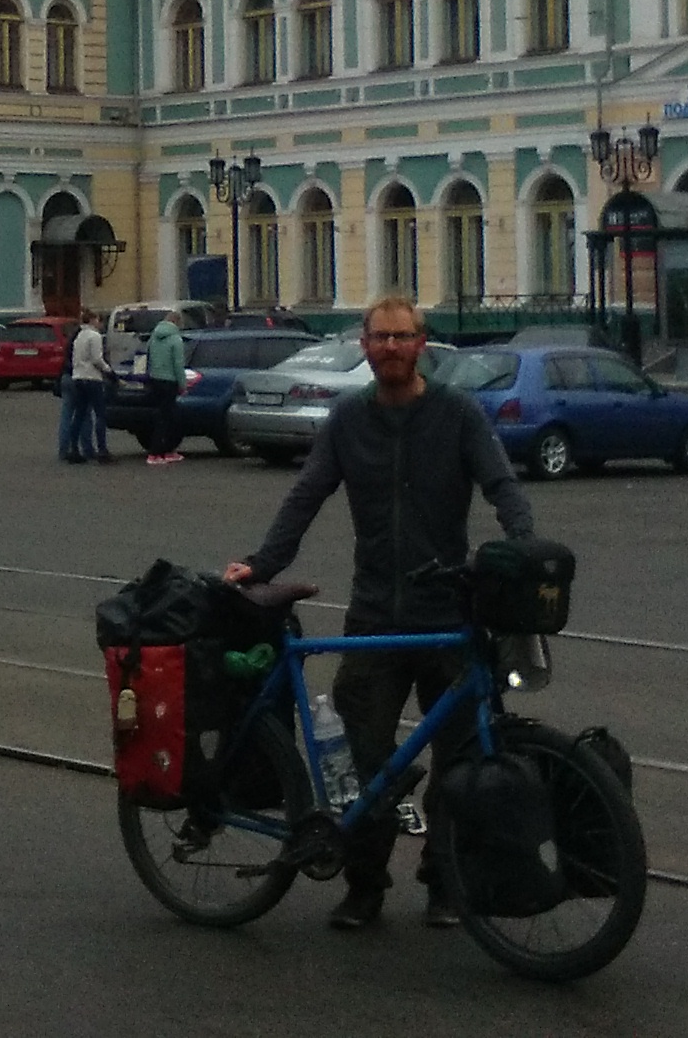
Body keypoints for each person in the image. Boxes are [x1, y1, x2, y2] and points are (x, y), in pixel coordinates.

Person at [226, 292, 531, 934]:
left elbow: (502, 485)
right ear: (365, 348)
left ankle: (444, 883)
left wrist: (522, 549)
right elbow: (307, 494)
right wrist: (262, 565)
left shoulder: (457, 415)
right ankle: (365, 886)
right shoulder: (347, 420)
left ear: (423, 344)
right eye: (380, 338)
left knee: (459, 762)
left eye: (403, 336)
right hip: (374, 619)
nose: (391, 347)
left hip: (448, 614)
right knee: (364, 760)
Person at [56, 310, 111, 464]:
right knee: (100, 414)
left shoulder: (79, 336)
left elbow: (74, 358)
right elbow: (97, 359)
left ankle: (73, 449)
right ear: (93, 320)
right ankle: (102, 450)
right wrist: (109, 371)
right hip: (92, 378)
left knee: (78, 415)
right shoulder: (94, 336)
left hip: (77, 377)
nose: (101, 324)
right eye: (99, 320)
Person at [138, 311, 189, 464]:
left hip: (155, 379)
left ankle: (165, 451)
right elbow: (179, 364)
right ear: (176, 322)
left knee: (163, 416)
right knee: (167, 418)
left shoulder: (154, 337)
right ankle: (157, 453)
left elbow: (149, 358)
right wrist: (183, 385)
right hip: (170, 381)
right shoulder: (176, 339)